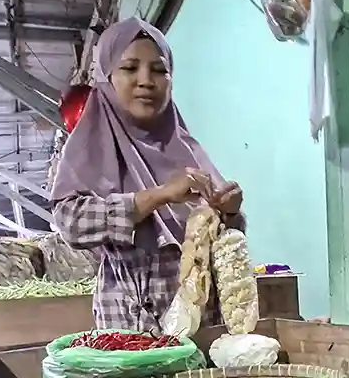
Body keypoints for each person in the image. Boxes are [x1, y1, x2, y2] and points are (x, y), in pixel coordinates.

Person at [50, 17, 244, 334]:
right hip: (129, 330)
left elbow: (222, 244)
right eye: (129, 68)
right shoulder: (89, 147)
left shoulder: (187, 151)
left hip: (199, 328)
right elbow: (70, 223)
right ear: (107, 78)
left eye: (159, 70)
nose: (146, 81)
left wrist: (231, 213)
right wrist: (158, 195)